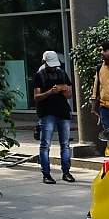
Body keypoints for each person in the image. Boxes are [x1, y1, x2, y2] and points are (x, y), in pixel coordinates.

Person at [33, 51, 74, 184]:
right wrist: (50, 92)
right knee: (45, 144)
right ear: (44, 62)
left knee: (65, 144)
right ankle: (46, 173)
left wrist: (64, 90)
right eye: (50, 65)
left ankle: (66, 172)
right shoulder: (40, 75)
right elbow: (36, 97)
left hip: (62, 112)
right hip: (47, 113)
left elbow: (69, 95)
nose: (53, 68)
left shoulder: (61, 73)